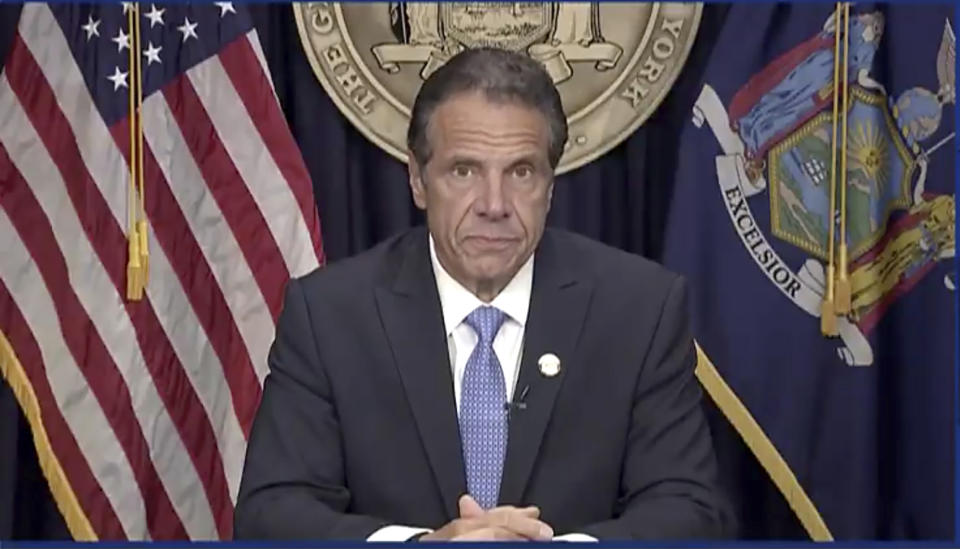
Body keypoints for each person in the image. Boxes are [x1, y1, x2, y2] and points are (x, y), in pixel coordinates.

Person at [234, 47, 731, 541]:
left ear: (550, 186)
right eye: (464, 171)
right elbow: (271, 513)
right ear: (417, 180)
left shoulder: (640, 311)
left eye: (520, 172)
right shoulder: (330, 315)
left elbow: (690, 510)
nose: (494, 205)